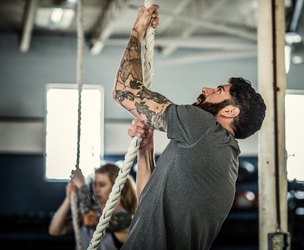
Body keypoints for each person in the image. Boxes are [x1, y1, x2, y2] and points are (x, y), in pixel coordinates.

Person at [112, 4, 266, 249]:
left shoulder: (204, 129)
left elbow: (124, 91)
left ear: (229, 111)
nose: (206, 89)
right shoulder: (220, 155)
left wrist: (138, 30)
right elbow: (147, 204)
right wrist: (145, 150)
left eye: (218, 91)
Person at [48, 163, 138, 250]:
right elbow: (55, 230)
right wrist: (68, 199)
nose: (96, 189)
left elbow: (90, 220)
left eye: (102, 185)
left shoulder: (125, 218)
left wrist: (81, 186)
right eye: (94, 184)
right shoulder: (90, 210)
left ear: (117, 187)